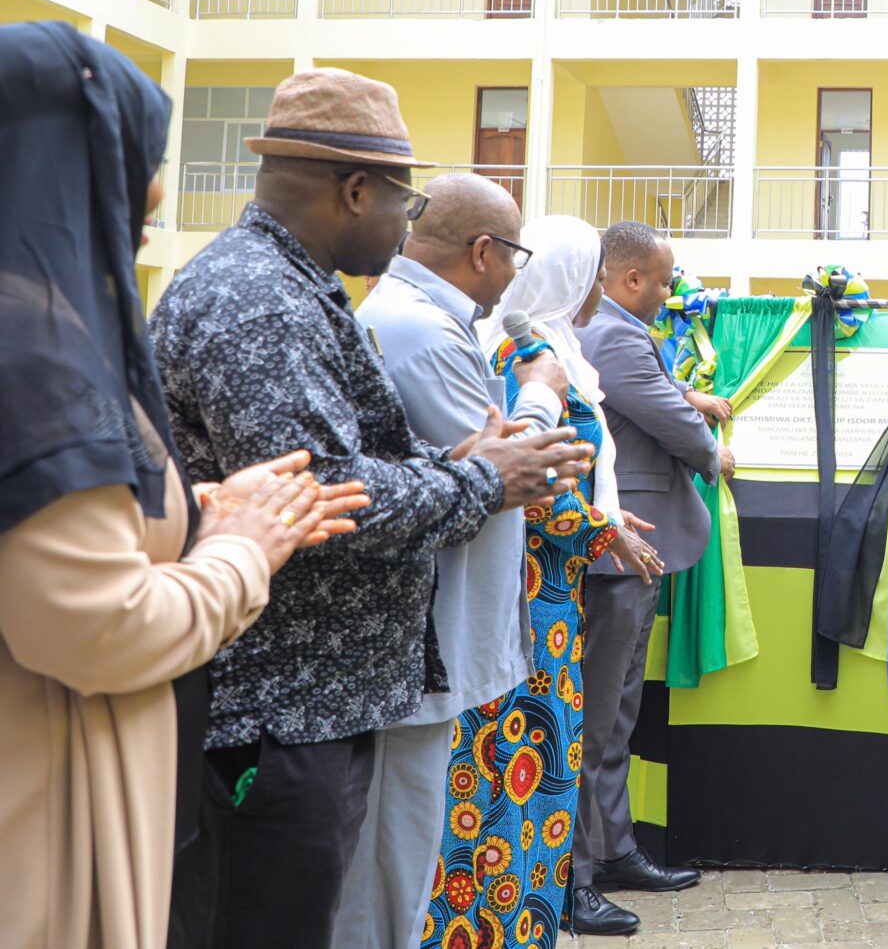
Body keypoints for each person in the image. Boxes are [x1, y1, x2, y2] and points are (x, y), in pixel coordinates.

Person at [152, 69, 596, 949]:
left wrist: (452, 462)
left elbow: (351, 463)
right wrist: (484, 479)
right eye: (405, 199)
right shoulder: (259, 300)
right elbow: (318, 499)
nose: (409, 222)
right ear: (355, 191)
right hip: (278, 714)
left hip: (314, 703)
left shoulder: (298, 285)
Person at [0, 21, 365, 949]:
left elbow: (55, 526)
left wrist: (195, 508)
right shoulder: (33, 360)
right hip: (41, 838)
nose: (153, 202)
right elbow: (96, 624)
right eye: (132, 174)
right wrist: (245, 549)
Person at [334, 173, 575, 949]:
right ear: (483, 252)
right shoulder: (424, 331)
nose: (515, 276)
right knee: (386, 878)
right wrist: (541, 392)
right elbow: (509, 469)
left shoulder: (416, 317)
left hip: (424, 640)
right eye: (513, 256)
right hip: (419, 642)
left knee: (396, 867)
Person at [427, 214, 646, 948]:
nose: (596, 290)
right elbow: (531, 482)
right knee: (516, 764)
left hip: (551, 588)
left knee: (530, 765)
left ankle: (520, 919)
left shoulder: (555, 350)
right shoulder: (528, 356)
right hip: (527, 591)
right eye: (589, 274)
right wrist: (601, 529)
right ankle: (494, 925)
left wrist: (602, 516)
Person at [570, 221, 729, 933]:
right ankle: (580, 873)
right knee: (600, 714)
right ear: (631, 279)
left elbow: (661, 394)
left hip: (632, 542)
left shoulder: (611, 329)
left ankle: (613, 848)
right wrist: (713, 450)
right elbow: (663, 412)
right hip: (618, 549)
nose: (669, 293)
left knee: (617, 711)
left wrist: (690, 402)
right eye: (664, 281)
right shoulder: (618, 331)